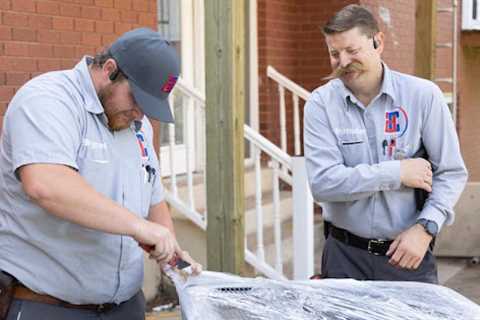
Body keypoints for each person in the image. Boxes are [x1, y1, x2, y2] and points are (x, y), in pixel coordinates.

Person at [0, 28, 201, 320]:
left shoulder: (135, 124)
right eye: (136, 100)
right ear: (110, 70)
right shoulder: (48, 100)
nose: (140, 114)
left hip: (126, 308)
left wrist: (172, 256)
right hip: (48, 307)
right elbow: (46, 184)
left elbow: (153, 199)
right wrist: (137, 227)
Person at [304, 5, 468, 283]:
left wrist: (426, 228)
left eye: (352, 50)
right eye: (334, 53)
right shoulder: (320, 104)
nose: (343, 61)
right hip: (344, 257)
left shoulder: (423, 97)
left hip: (408, 254)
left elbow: (451, 173)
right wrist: (397, 173)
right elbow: (323, 183)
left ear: (378, 42)